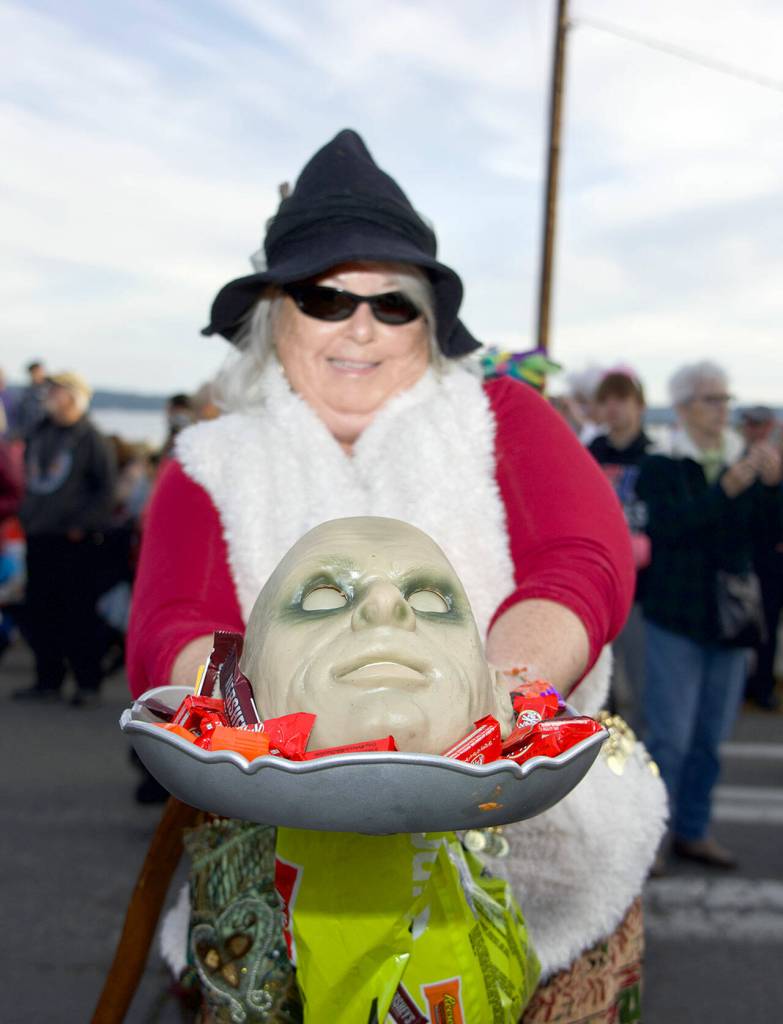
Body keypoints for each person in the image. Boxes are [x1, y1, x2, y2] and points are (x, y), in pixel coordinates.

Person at [128, 130, 656, 1023]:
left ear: (428, 321)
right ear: (272, 312)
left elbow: (583, 559)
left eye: (393, 304)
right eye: (324, 296)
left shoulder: (501, 418)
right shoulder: (208, 462)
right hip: (277, 857)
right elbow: (169, 626)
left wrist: (504, 689)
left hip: (529, 851)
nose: (360, 327)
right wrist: (287, 715)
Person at [637, 361, 783, 870]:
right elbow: (668, 531)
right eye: (711, 400)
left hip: (731, 623)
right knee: (669, 739)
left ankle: (693, 831)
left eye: (725, 399)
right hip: (676, 619)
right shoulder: (663, 463)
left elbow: (765, 537)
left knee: (710, 740)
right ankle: (651, 838)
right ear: (681, 408)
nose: (724, 409)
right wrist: (726, 493)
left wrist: (774, 487)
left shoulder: (745, 462)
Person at [13, 371, 117, 706]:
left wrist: (82, 526)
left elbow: (105, 491)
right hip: (39, 535)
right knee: (40, 610)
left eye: (56, 390)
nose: (49, 395)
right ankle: (47, 680)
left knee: (78, 612)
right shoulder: (40, 432)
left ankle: (87, 682)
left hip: (75, 542)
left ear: (73, 396)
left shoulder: (91, 438)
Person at [589, 369, 652, 731]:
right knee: (598, 686)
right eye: (606, 400)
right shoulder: (591, 451)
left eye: (622, 399)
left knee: (639, 687)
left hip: (642, 590)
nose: (613, 408)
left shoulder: (655, 457)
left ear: (640, 406)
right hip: (599, 582)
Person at [738, 407, 783, 710]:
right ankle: (747, 687)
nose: (756, 430)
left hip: (771, 561)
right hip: (744, 559)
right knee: (744, 626)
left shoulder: (775, 464)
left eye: (761, 425)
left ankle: (762, 687)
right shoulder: (735, 459)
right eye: (751, 424)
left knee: (767, 626)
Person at [12, 360, 48, 441]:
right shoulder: (26, 392)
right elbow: (20, 413)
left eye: (38, 372)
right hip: (27, 435)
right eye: (33, 373)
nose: (35, 375)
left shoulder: (50, 391)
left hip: (45, 435)